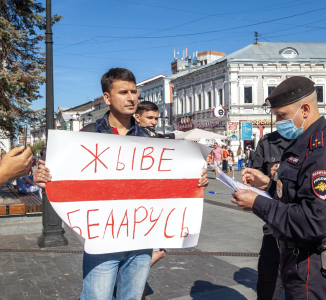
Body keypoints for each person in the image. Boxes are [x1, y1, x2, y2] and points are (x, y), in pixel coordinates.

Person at [33, 68, 209, 300]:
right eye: (123, 92)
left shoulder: (149, 141)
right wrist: (44, 177)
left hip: (141, 240)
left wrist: (195, 181)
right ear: (107, 97)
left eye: (134, 92)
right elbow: (63, 178)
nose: (131, 98)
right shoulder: (87, 136)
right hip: (102, 240)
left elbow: (161, 185)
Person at [232, 76, 326, 300]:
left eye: (282, 115)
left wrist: (258, 203)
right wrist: (269, 186)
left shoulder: (322, 151)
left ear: (305, 109)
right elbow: (298, 195)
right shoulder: (305, 142)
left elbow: (314, 221)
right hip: (301, 256)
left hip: (315, 261)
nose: (278, 122)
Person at [251, 130, 291, 300]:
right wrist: (269, 179)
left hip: (304, 227)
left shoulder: (317, 140)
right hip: (274, 225)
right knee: (268, 286)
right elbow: (253, 177)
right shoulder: (267, 142)